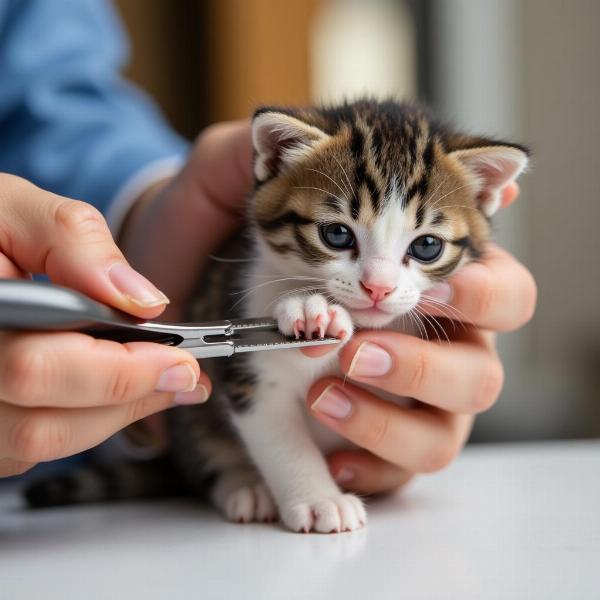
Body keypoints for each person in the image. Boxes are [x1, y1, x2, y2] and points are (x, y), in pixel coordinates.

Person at [0, 0, 536, 493]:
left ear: (485, 196)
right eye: (337, 234)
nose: (379, 282)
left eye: (423, 249)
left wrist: (144, 210)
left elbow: (54, 93)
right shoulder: (275, 288)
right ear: (275, 160)